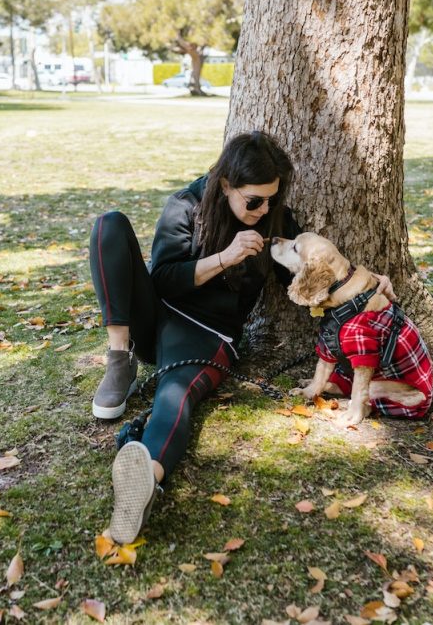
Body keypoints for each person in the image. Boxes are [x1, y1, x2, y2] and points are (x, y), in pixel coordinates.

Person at [88, 131, 395, 544]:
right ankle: (118, 358)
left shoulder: (276, 221)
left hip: (206, 335)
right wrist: (224, 257)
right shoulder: (187, 205)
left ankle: (146, 475)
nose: (265, 208)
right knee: (109, 224)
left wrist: (368, 284)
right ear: (226, 185)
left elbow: (317, 268)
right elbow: (161, 279)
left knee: (174, 398)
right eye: (254, 201)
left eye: (273, 197)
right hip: (156, 314)